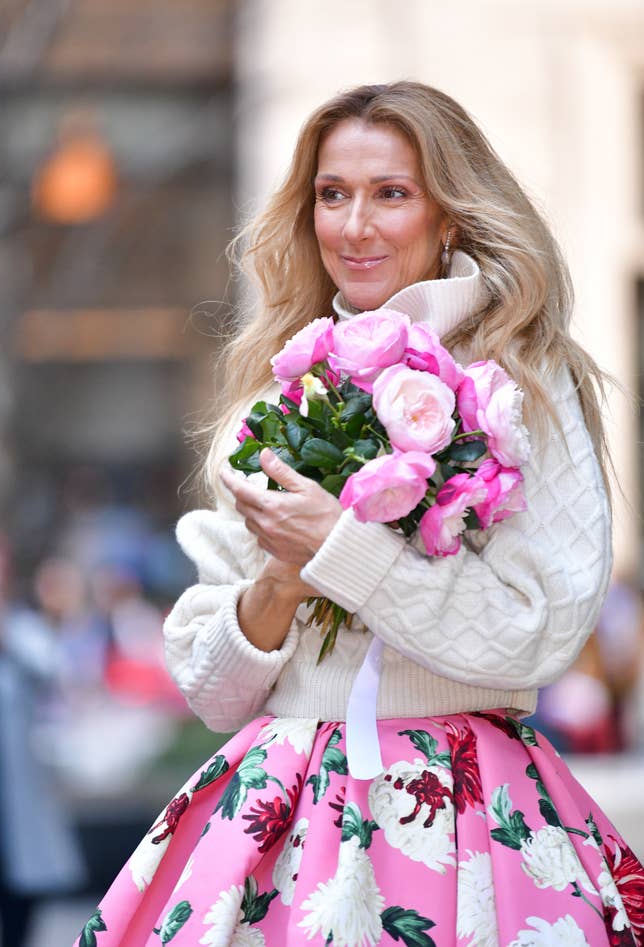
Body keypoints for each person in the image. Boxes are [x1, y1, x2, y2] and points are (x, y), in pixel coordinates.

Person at [75, 82, 644, 946]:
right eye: (333, 194)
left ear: (448, 214)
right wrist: (280, 581)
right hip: (281, 811)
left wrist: (344, 550)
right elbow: (214, 691)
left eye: (391, 193)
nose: (355, 225)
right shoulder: (279, 385)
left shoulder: (523, 379)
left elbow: (539, 634)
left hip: (465, 809)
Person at [0, 533, 86, 947]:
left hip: (12, 808)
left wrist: (0, 634)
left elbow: (54, 670)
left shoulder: (20, 629)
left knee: (17, 912)